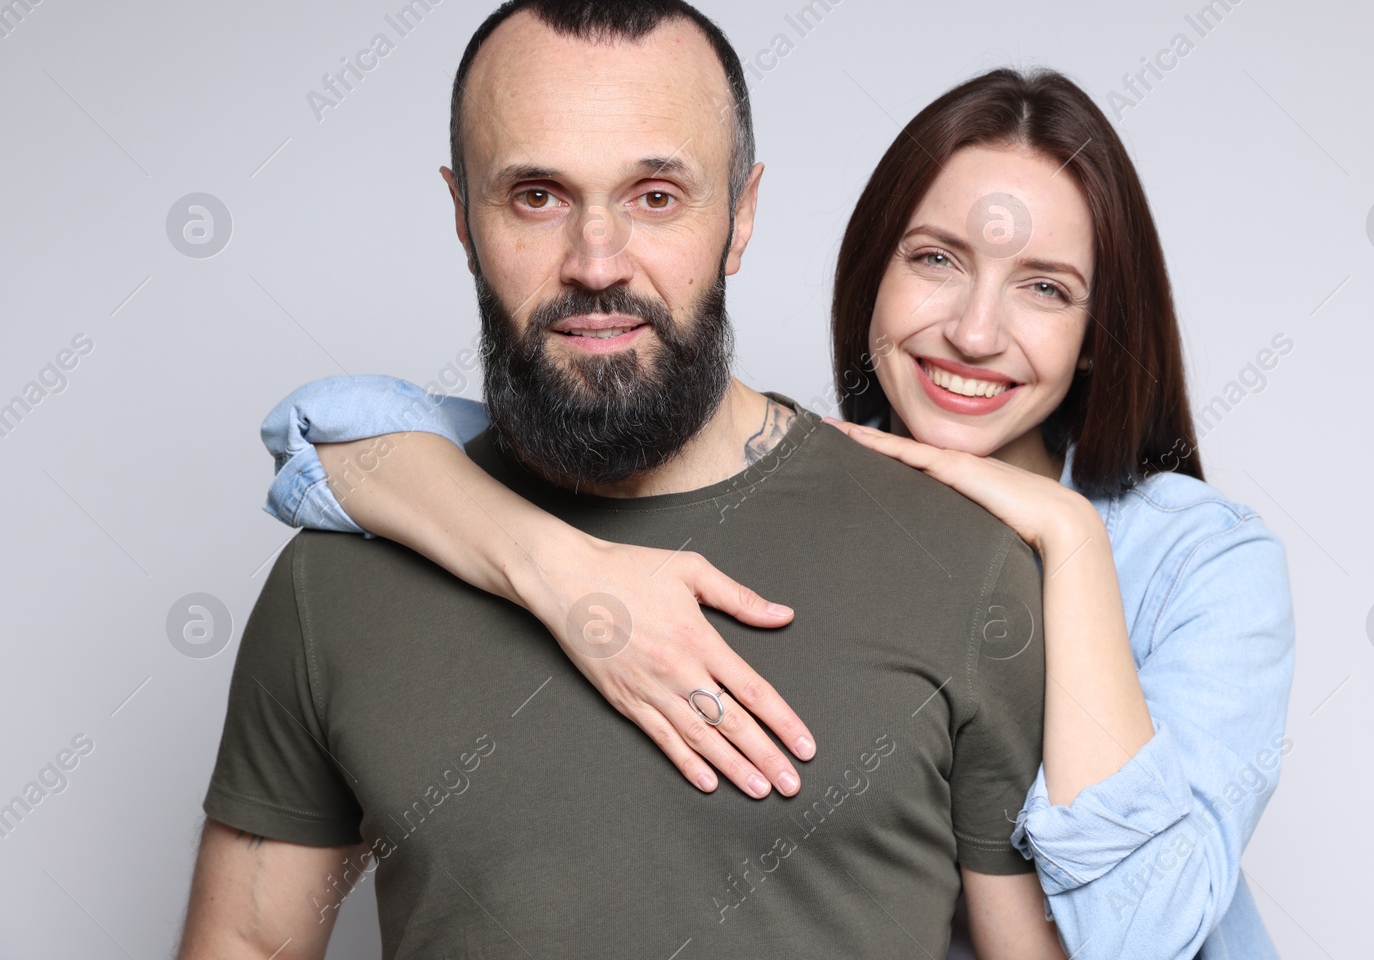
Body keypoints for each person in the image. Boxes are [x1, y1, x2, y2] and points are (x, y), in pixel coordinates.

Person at [254, 62, 1296, 954]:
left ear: (1097, 329)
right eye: (934, 260)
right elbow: (326, 428)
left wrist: (1065, 538)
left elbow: (1145, 932)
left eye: (1044, 288)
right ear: (869, 269)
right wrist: (559, 570)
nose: (976, 331)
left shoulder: (1199, 561)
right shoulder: (766, 475)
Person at [178, 0, 1066, 960]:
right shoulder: (334, 581)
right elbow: (248, 937)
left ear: (741, 213)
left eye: (655, 195)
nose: (596, 258)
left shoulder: (961, 562)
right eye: (536, 194)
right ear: (463, 217)